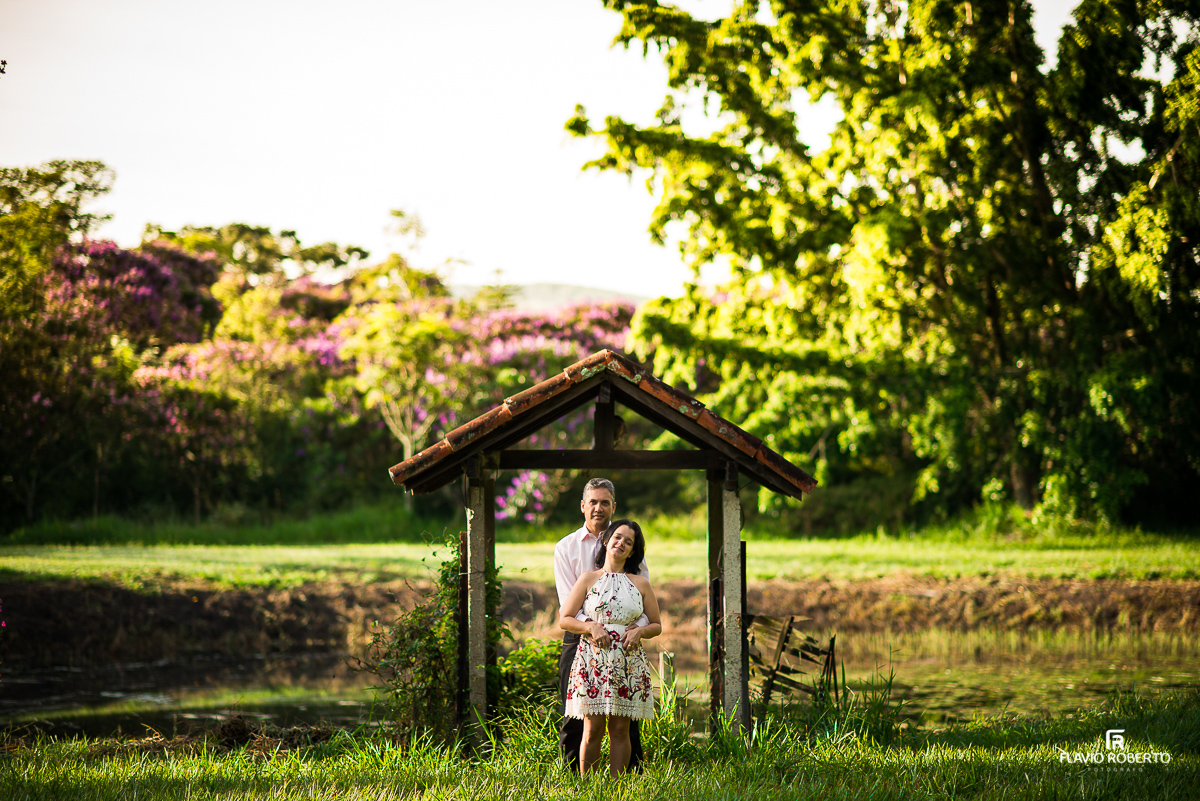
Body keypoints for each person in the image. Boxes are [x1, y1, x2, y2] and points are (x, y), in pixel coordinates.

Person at [554, 478, 650, 772]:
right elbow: (567, 605)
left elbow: (643, 601)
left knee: (625, 719)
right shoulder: (566, 547)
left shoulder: (626, 539)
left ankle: (629, 777)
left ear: (613, 507)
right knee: (576, 717)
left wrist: (637, 629)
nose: (598, 508)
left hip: (625, 644)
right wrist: (592, 628)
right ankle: (575, 778)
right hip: (580, 641)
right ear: (583, 506)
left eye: (604, 502)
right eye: (593, 502)